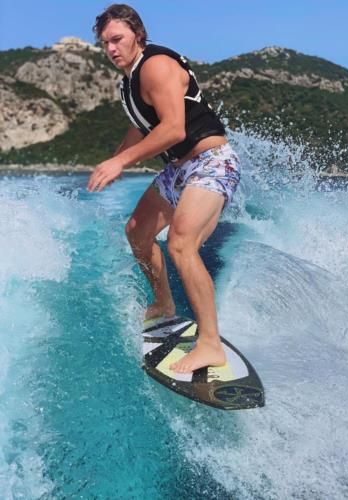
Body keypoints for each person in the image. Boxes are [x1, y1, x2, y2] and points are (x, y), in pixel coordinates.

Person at [88, 4, 241, 374]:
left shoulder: (155, 66)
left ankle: (210, 345)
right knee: (137, 232)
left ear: (138, 34)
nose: (111, 48)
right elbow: (143, 128)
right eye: (104, 42)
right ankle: (164, 304)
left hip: (212, 162)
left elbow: (173, 129)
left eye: (117, 39)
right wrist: (114, 159)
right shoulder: (129, 82)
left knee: (181, 243)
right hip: (179, 170)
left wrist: (121, 163)